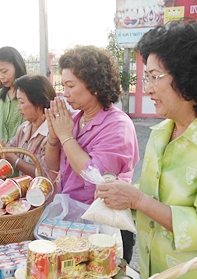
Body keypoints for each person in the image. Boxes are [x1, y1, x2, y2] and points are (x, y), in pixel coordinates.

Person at [96, 18, 197, 279]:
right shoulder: (165, 131)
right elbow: (154, 195)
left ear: (189, 77)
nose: (147, 89)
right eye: (146, 78)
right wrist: (120, 195)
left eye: (154, 76)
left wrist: (136, 200)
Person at [45, 45, 139, 263]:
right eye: (63, 85)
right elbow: (54, 166)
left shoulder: (117, 125)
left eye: (70, 85)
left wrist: (66, 136)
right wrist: (53, 137)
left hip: (103, 226)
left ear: (94, 86)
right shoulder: (76, 119)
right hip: (72, 220)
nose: (64, 92)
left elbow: (95, 176)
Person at [0, 75, 58, 182]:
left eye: (22, 102)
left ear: (38, 102)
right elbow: (5, 153)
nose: (19, 107)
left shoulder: (52, 133)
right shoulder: (24, 128)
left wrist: (15, 161)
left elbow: (46, 175)